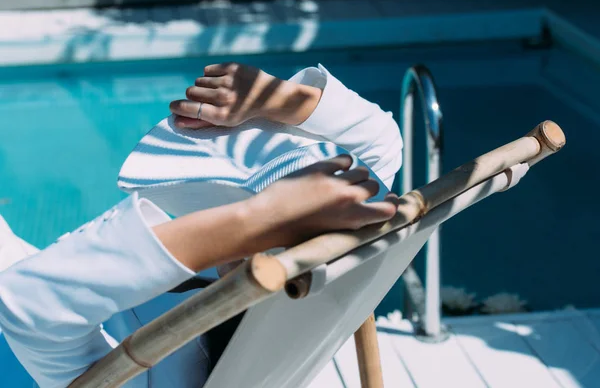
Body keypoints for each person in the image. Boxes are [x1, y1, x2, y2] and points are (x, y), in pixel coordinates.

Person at [0, 62, 403, 387]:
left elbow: (24, 302)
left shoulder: (148, 372)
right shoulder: (300, 300)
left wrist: (257, 219)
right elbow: (382, 145)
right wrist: (275, 97)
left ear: (260, 248)